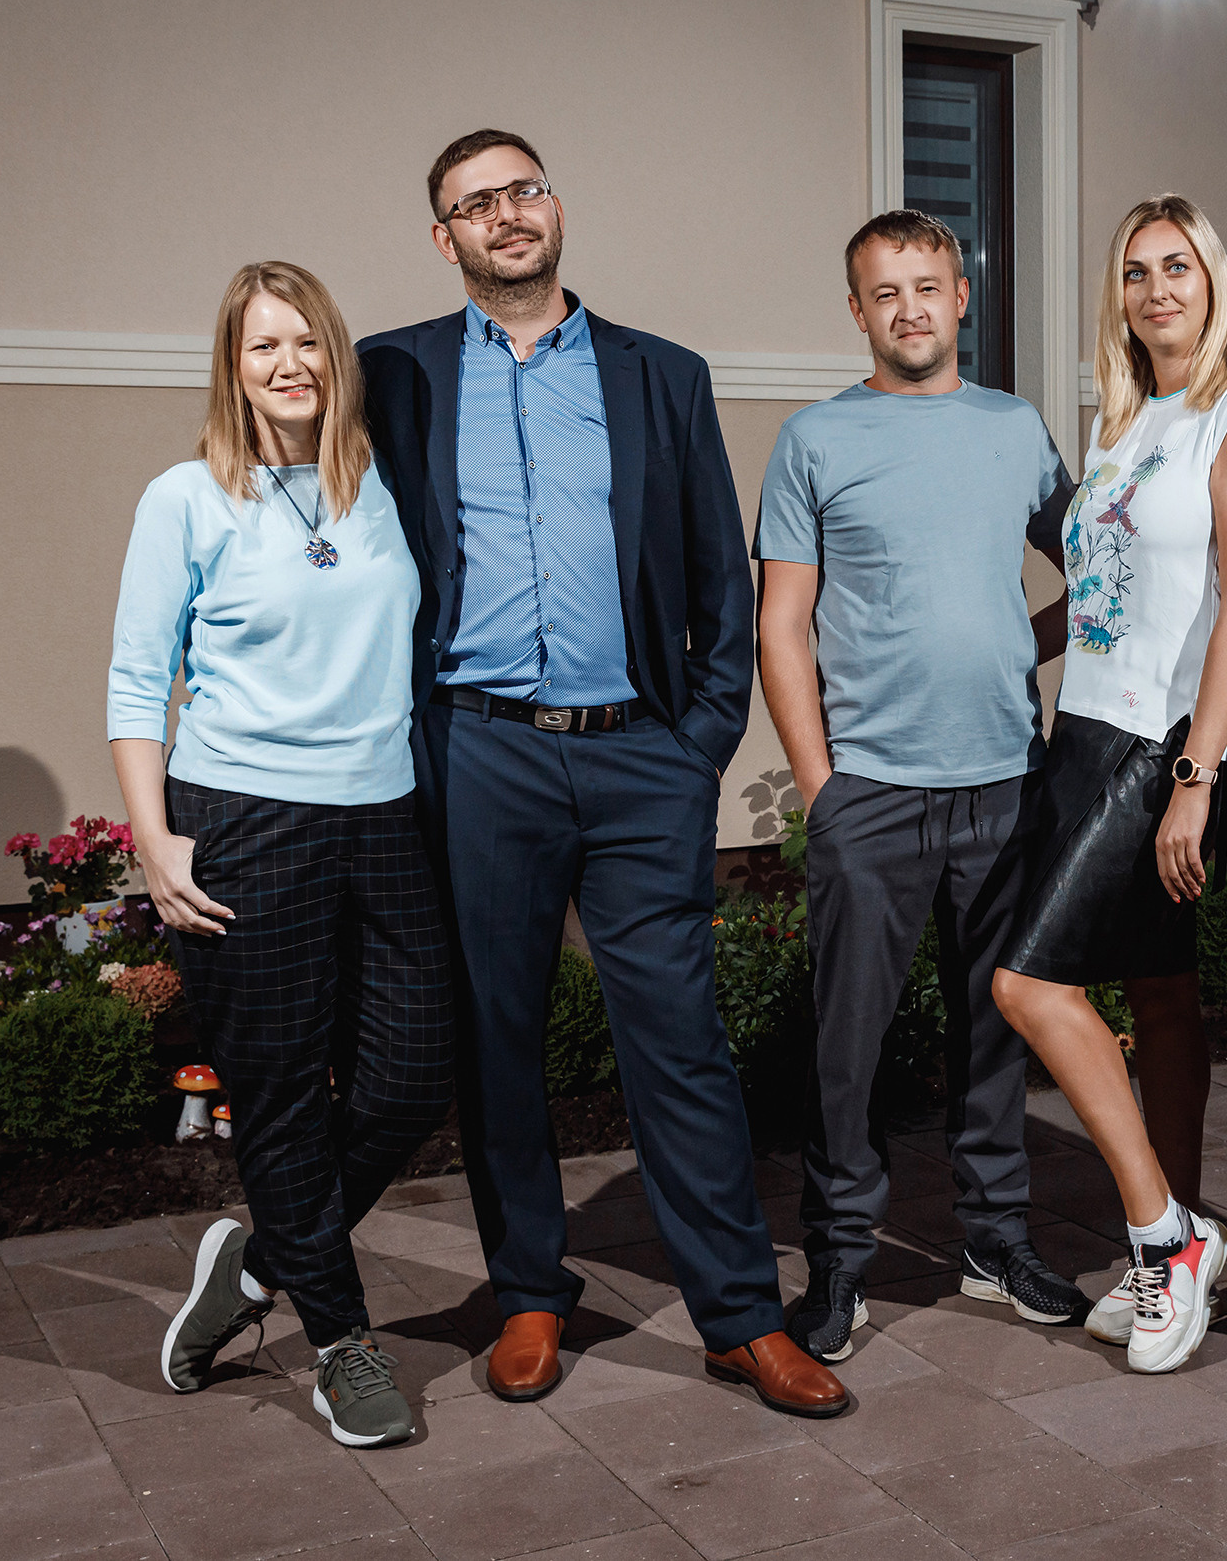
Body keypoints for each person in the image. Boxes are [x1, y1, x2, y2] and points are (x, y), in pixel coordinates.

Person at [356, 129, 847, 1419]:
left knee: (678, 1043)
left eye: (522, 190)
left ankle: (739, 1314)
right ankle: (529, 1289)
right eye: (475, 203)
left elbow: (712, 580)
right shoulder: (392, 376)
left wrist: (694, 749)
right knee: (500, 1036)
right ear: (443, 237)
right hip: (476, 753)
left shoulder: (659, 375)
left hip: (638, 753)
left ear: (554, 207)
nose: (505, 216)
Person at [111, 261, 451, 1450]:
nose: (289, 364)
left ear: (336, 355)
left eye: (305, 341)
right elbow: (135, 676)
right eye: (263, 347)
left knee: (415, 1072)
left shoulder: (380, 490)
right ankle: (340, 1343)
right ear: (233, 368)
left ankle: (257, 1259)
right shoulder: (186, 498)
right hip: (246, 821)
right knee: (286, 1102)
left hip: (386, 815)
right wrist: (154, 838)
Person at [755, 210, 1088, 1363]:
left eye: (927, 286)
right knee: (849, 1046)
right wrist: (820, 787)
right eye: (883, 291)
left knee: (998, 1031)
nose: (908, 308)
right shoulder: (814, 440)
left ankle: (996, 1240)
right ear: (858, 311)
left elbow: (1102, 567)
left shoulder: (1015, 430)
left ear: (960, 297)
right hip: (873, 796)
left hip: (1006, 781)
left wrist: (1027, 630)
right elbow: (782, 624)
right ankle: (840, 1259)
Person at [989, 194, 1227, 1375]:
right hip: (1087, 730)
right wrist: (1017, 640)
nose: (1157, 289)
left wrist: (1198, 779)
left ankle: (1163, 1236)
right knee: (1159, 992)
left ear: (1212, 280)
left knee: (1027, 984)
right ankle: (1183, 1227)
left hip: (1164, 742)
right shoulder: (1124, 417)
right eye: (1134, 272)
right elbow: (1109, 588)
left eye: (1177, 267)